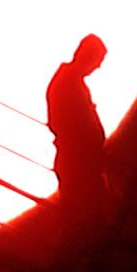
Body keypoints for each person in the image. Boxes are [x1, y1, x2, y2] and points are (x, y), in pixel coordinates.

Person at [46, 34, 108, 248]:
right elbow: (68, 123)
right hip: (77, 162)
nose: (98, 67)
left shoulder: (68, 80)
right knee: (80, 218)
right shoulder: (70, 83)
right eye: (98, 61)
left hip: (77, 161)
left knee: (77, 218)